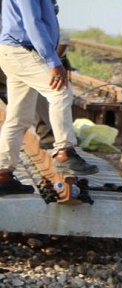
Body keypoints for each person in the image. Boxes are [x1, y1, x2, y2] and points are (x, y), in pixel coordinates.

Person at [0, 0, 97, 197]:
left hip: (14, 51)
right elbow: (32, 23)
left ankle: (3, 175)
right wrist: (53, 61)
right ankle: (64, 151)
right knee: (61, 90)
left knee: (18, 117)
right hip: (23, 50)